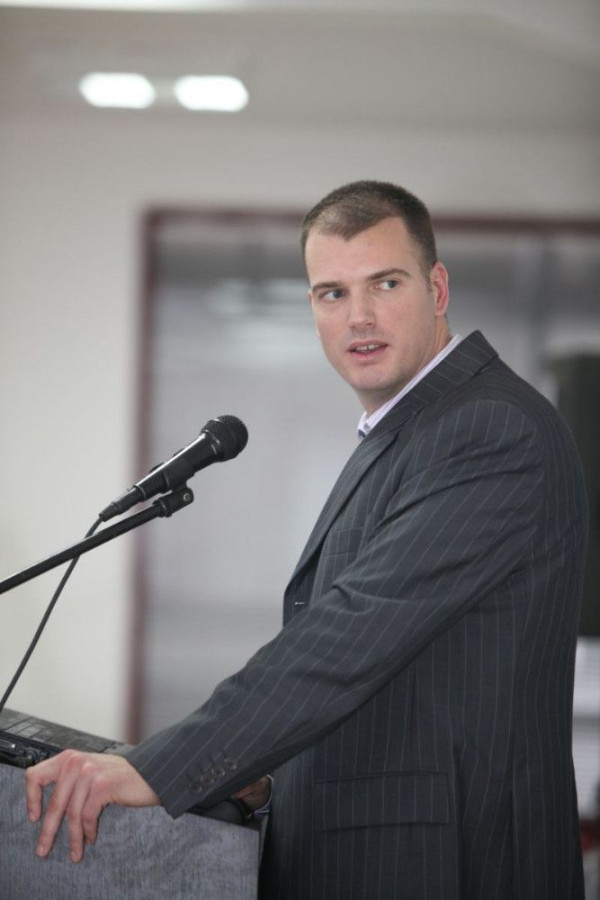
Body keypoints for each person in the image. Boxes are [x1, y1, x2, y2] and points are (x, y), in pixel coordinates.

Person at [25, 181, 588, 899]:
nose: (359, 316)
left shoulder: (486, 429)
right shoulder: (414, 429)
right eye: (332, 293)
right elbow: (402, 680)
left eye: (386, 283)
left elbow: (353, 635)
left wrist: (159, 767)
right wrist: (264, 775)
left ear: (437, 288)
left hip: (451, 864)